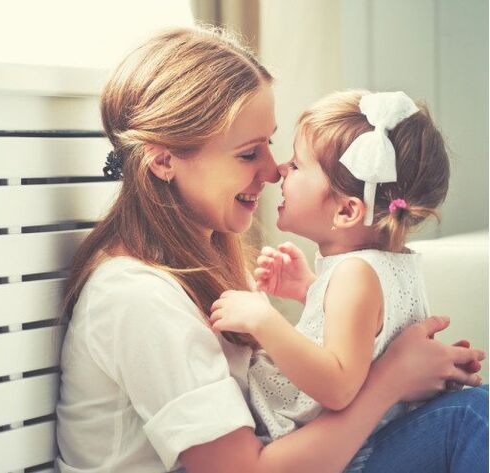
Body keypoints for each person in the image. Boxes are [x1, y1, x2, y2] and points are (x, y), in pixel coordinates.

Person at [55, 26, 486, 473]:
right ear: (163, 161)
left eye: (271, 145)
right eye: (247, 154)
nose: (273, 171)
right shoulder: (138, 298)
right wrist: (392, 380)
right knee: (470, 418)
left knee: (473, 410)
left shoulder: (208, 264)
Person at [209, 90, 455, 444]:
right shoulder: (388, 264)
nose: (279, 171)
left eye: (296, 165)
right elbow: (369, 338)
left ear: (346, 211)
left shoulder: (354, 275)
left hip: (333, 449)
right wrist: (310, 289)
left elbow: (338, 386)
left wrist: (264, 321)